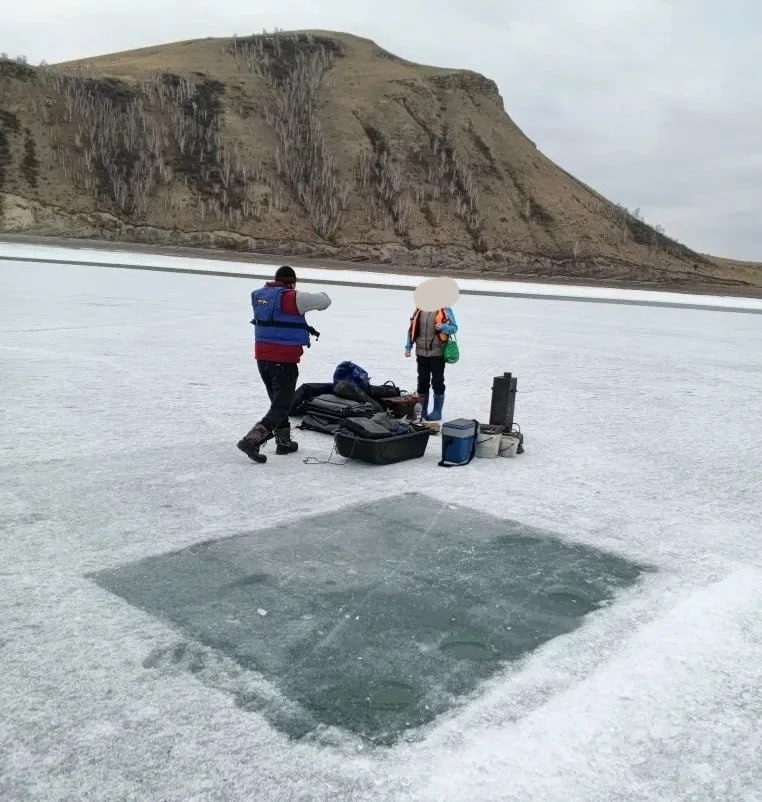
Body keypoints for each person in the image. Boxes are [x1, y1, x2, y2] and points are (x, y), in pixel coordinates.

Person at [237, 265, 331, 463]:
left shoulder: (258, 296)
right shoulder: (293, 298)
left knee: (277, 401)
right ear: (292, 283)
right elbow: (325, 300)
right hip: (283, 360)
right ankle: (252, 440)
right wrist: (300, 295)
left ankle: (284, 441)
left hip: (262, 358)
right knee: (282, 404)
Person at [404, 305, 458, 422]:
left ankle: (437, 412)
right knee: (422, 382)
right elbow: (411, 330)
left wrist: (444, 328)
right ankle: (422, 411)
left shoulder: (444, 309)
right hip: (421, 352)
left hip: (438, 353)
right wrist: (408, 347)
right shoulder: (419, 310)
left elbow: (454, 328)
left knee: (437, 381)